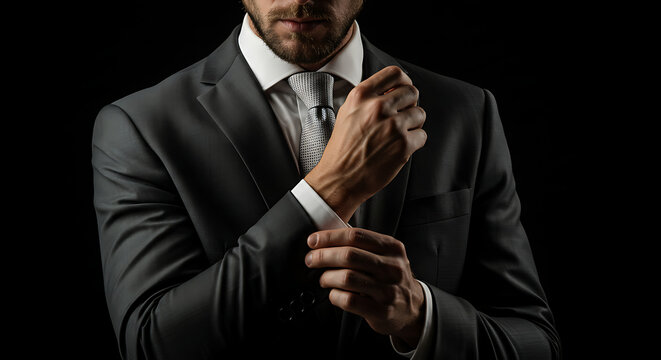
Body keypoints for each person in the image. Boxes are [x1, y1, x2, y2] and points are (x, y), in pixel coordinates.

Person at [92, 1, 560, 359]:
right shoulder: (141, 126)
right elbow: (151, 343)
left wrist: (419, 315)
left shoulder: (465, 113)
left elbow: (535, 341)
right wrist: (333, 187)